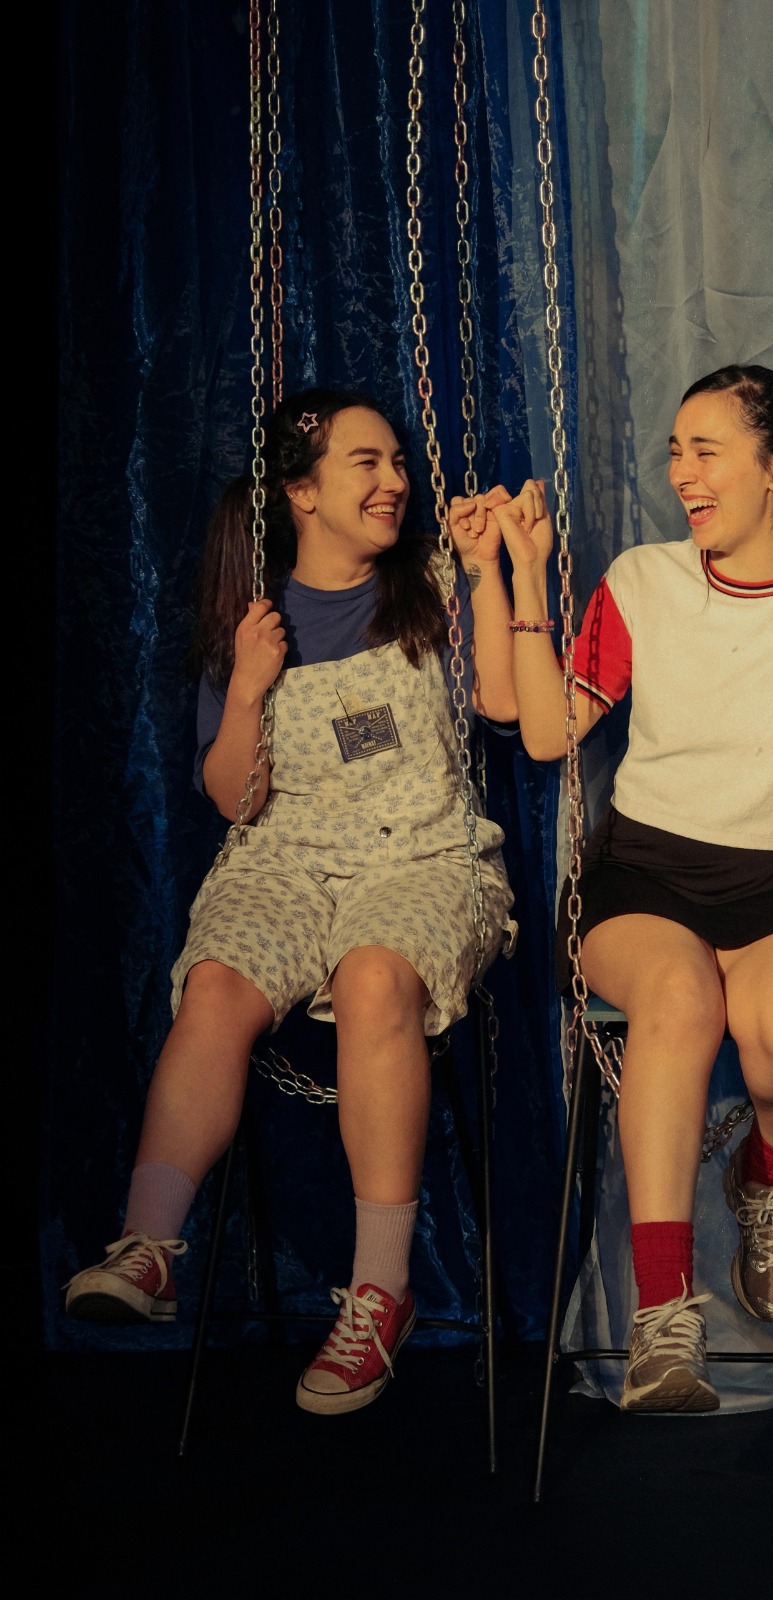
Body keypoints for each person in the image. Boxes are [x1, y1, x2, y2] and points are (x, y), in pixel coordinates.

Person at [469, 363, 773, 1414]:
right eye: (675, 450)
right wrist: (528, 576)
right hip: (645, 876)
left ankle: (765, 1173)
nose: (681, 472)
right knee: (679, 998)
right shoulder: (643, 581)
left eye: (706, 450)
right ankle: (661, 1320)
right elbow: (545, 734)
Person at [64, 387, 518, 1416]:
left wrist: (488, 569)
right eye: (368, 463)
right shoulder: (256, 622)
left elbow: (499, 703)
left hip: (421, 860)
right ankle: (148, 1246)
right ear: (302, 493)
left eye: (398, 462)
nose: (395, 481)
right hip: (285, 863)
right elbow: (235, 799)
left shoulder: (433, 585)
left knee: (373, 978)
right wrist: (250, 685)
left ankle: (380, 1293)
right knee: (216, 987)